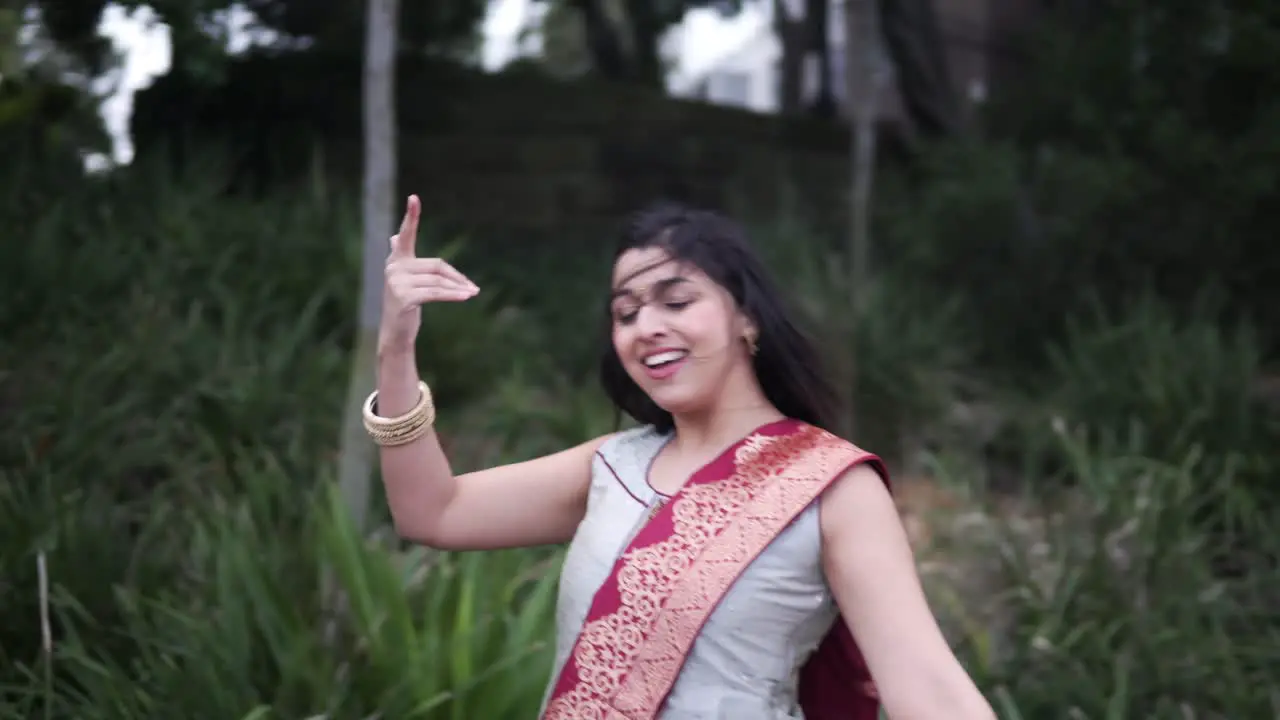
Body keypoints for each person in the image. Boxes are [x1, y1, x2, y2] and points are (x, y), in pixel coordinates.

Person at [367, 195, 997, 720]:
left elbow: (928, 688)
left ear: (746, 319)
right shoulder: (612, 467)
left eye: (676, 301)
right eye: (626, 313)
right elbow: (432, 512)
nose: (647, 327)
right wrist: (395, 351)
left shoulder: (830, 487)